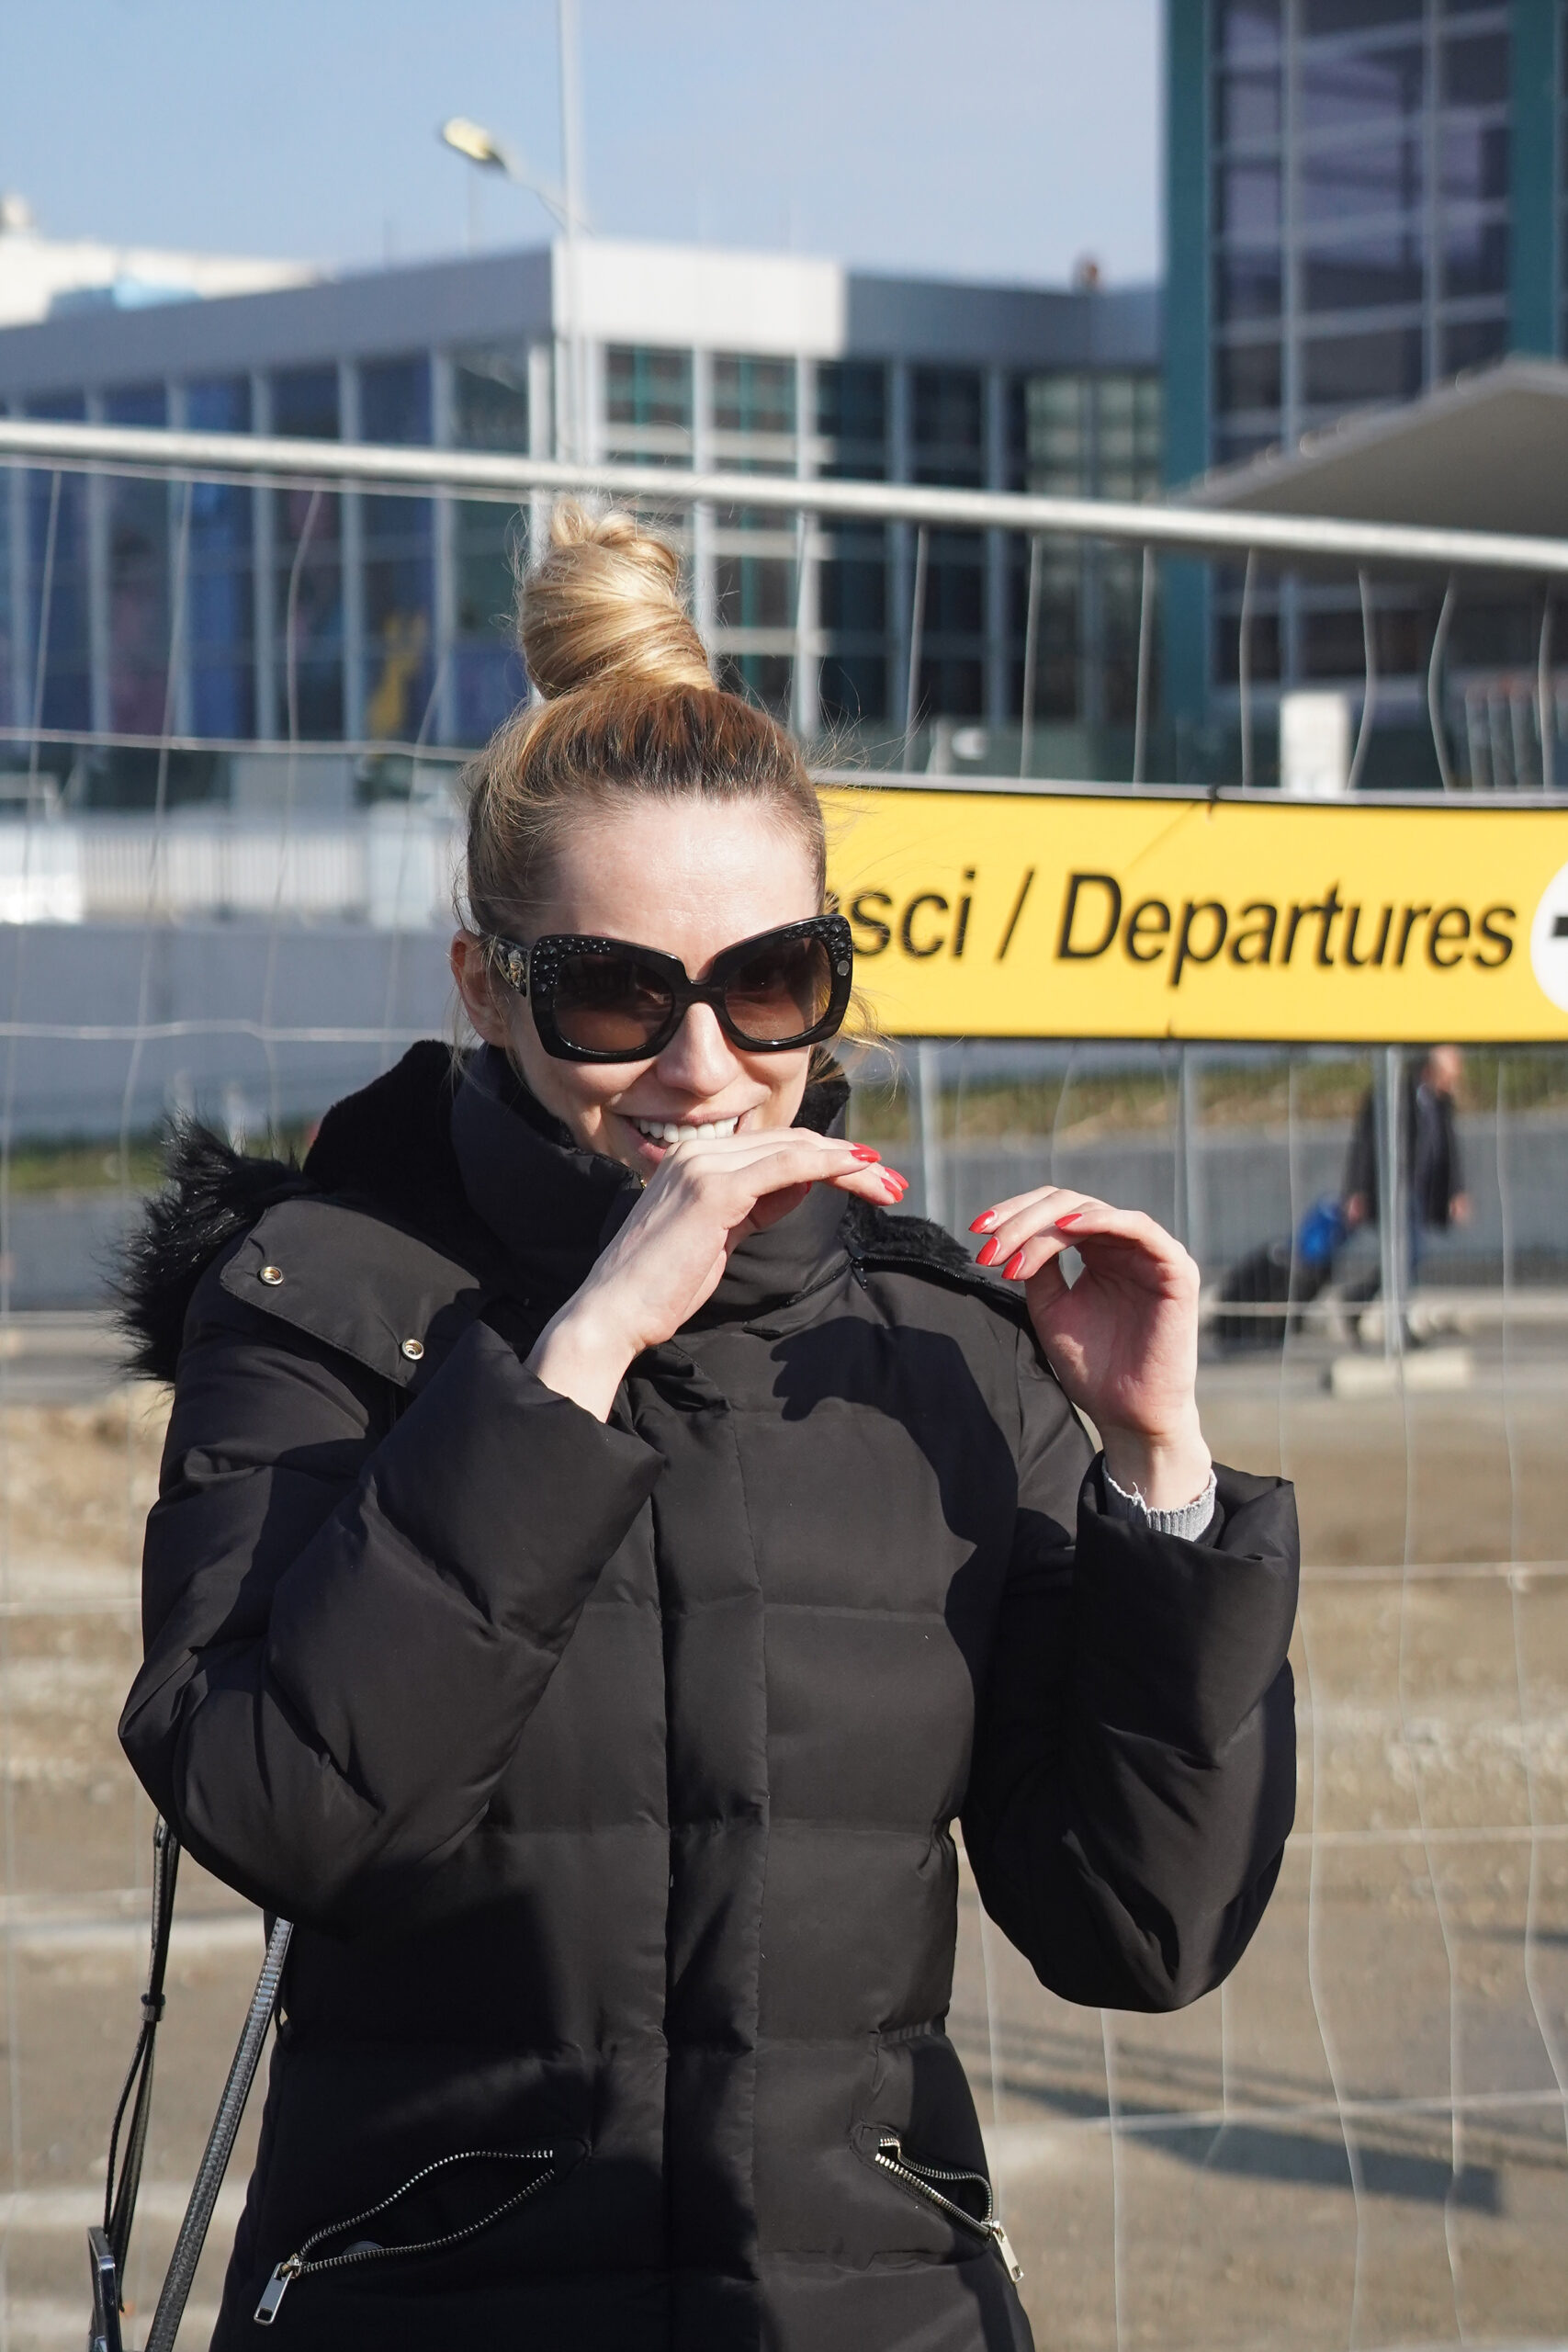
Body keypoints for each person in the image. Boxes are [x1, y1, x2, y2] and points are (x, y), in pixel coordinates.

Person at [117, 504, 1299, 2352]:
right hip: (434, 2305)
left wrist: (1156, 1468)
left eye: (767, 982)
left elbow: (1138, 1928)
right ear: (479, 988)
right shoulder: (313, 1307)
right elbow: (284, 1809)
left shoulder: (942, 1347)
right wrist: (574, 1354)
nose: (701, 1063)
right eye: (611, 992)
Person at [1344, 1045, 1472, 1288]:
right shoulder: (1396, 1095)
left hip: (1423, 1189)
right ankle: (1367, 1300)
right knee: (1407, 1253)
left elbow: (1450, 1149)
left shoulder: (1442, 1104)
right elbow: (1364, 1144)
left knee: (1410, 1255)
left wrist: (1456, 1191)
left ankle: (1377, 1303)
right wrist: (1356, 1189)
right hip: (1396, 1189)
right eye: (1449, 1077)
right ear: (1432, 1070)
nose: (1453, 1084)